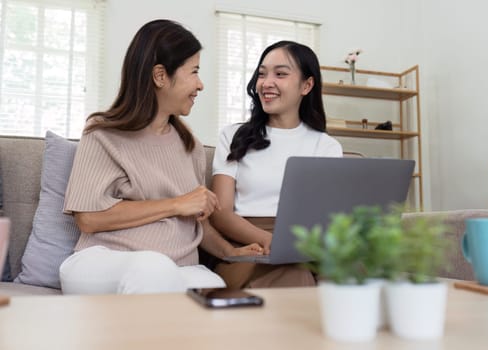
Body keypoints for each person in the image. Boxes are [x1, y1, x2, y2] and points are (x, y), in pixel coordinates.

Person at [59, 19, 262, 295]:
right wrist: (177, 204)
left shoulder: (190, 145)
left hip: (178, 270)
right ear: (160, 76)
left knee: (216, 291)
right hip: (102, 262)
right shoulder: (103, 132)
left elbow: (194, 220)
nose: (200, 85)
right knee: (154, 268)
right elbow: (89, 218)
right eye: (193, 72)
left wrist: (231, 251)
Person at [211, 41, 343, 288]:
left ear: (307, 85)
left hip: (306, 245)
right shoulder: (232, 136)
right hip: (249, 244)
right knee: (295, 278)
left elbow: (327, 218)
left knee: (354, 275)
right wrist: (271, 240)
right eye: (262, 74)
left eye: (280, 74)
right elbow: (221, 214)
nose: (266, 83)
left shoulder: (326, 146)